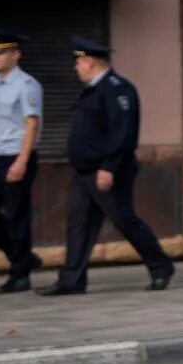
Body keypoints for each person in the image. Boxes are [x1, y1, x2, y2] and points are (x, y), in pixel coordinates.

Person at [38, 38, 174, 296]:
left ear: (89, 62)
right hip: (84, 171)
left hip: (108, 170)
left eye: (78, 62)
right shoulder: (93, 90)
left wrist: (108, 166)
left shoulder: (117, 89)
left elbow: (123, 133)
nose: (76, 67)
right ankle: (71, 280)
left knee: (124, 220)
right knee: (78, 224)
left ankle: (161, 266)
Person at [0, 28, 43, 292]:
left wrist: (21, 161)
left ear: (16, 54)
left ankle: (20, 275)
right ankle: (23, 256)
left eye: (1, 53)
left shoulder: (27, 85)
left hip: (16, 155)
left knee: (16, 215)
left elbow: (31, 124)